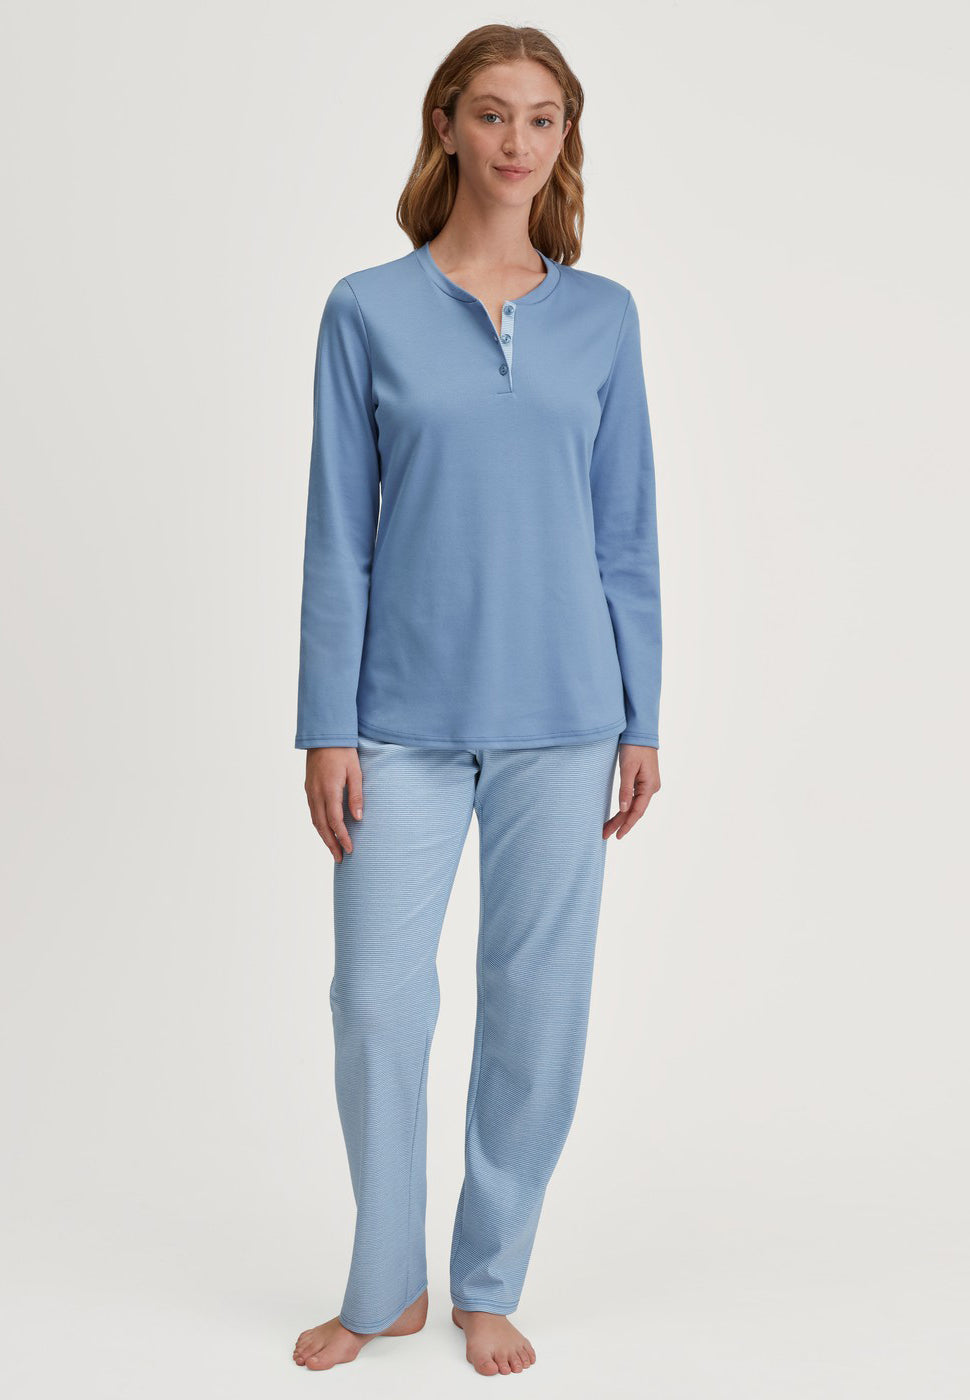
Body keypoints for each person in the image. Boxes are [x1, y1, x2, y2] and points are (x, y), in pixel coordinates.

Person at [291, 22, 662, 1377]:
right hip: (399, 721)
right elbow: (339, 531)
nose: (518, 141)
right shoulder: (366, 309)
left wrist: (642, 714)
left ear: (566, 139)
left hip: (566, 717)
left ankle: (488, 1277)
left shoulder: (603, 317)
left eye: (543, 118)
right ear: (445, 123)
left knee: (534, 1010)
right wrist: (325, 723)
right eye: (493, 113)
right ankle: (385, 1282)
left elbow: (625, 531)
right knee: (375, 1004)